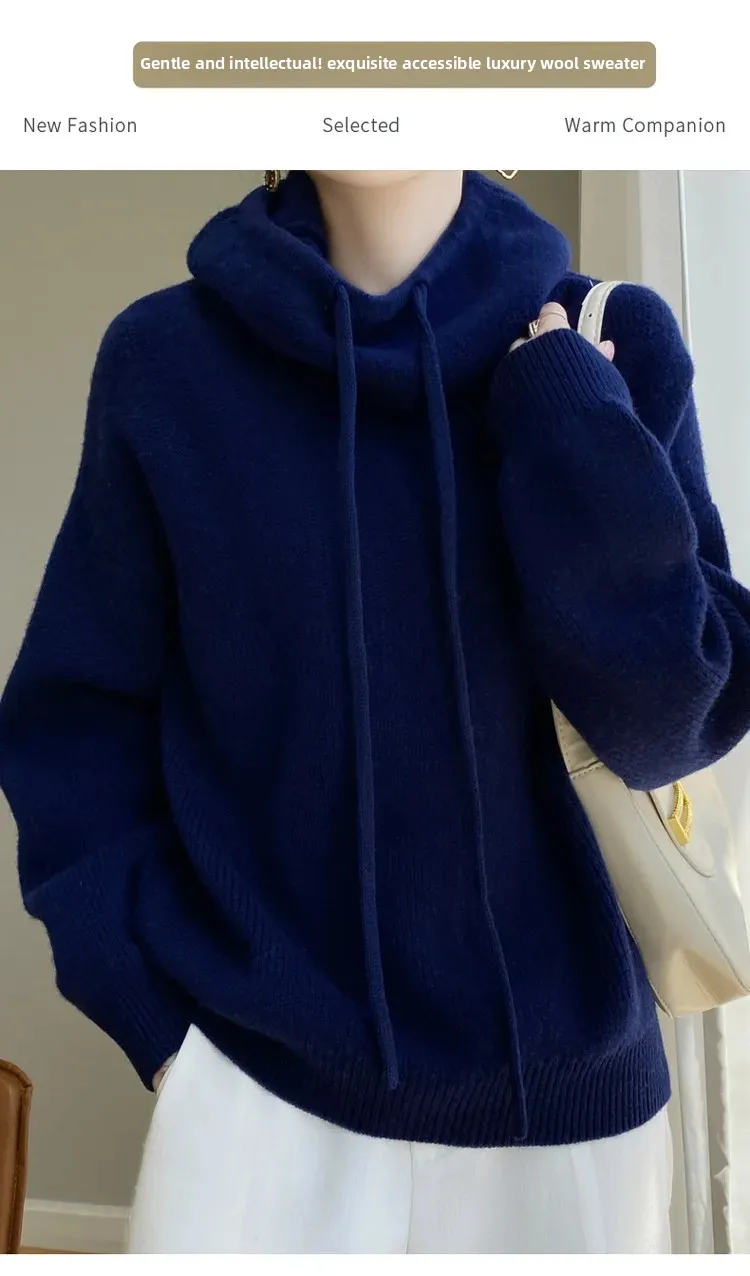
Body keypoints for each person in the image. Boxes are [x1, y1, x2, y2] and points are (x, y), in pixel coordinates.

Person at [1, 169, 749, 1254]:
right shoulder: (165, 361)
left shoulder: (611, 338)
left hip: (570, 1127)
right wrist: (158, 1028)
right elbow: (78, 723)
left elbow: (664, 724)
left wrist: (570, 419)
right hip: (255, 1103)